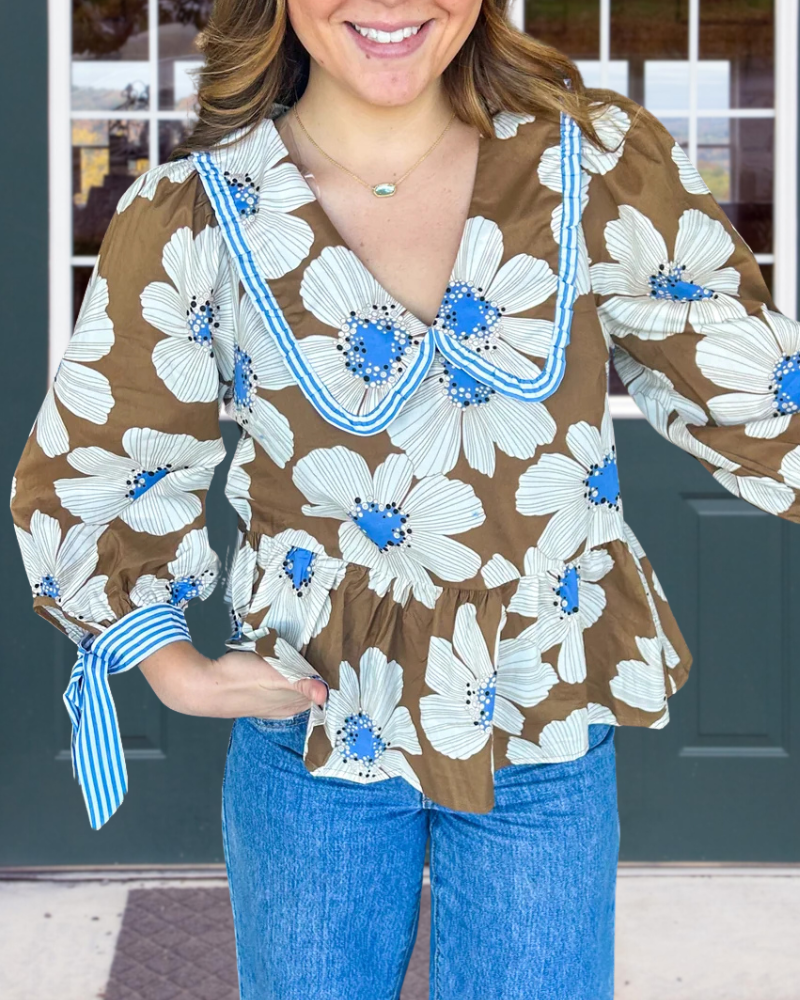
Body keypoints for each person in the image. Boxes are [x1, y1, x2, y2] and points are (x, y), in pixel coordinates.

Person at [10, 0, 800, 995]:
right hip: (313, 737)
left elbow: (756, 388)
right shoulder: (198, 209)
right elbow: (100, 460)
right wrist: (171, 666)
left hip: (539, 726)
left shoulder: (589, 164)